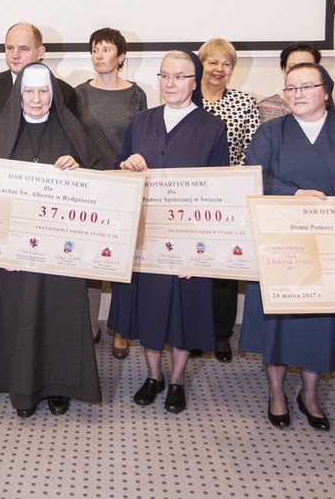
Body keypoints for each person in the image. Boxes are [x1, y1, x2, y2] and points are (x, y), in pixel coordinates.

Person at [241, 63, 335, 431]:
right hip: (281, 240)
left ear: (326, 91)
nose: (296, 94)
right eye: (290, 88)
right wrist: (292, 193)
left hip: (332, 242)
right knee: (277, 319)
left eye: (306, 87)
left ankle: (309, 395)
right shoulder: (270, 131)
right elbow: (251, 175)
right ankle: (276, 391)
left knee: (320, 321)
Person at [0, 62, 102, 418]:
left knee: (59, 315)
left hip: (60, 253)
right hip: (14, 253)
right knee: (19, 316)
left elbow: (97, 186)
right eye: (29, 92)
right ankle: (22, 388)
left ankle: (59, 386)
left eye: (43, 91)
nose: (35, 98)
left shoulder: (72, 133)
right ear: (19, 95)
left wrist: (79, 169)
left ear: (53, 95)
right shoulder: (1, 137)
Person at [109, 51, 229, 414]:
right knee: (149, 309)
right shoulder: (141, 121)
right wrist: (125, 163)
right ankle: (153, 375)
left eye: (179, 77)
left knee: (182, 311)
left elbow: (218, 189)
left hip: (187, 240)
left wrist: (201, 250)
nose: (171, 84)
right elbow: (122, 163)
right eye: (165, 76)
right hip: (146, 238)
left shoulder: (212, 127)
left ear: (195, 81)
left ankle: (176, 379)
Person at [72, 27, 147, 356]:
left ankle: (121, 329)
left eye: (105, 50)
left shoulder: (136, 94)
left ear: (121, 57)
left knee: (121, 260)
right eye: (94, 50)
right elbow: (71, 137)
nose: (99, 56)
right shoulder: (78, 93)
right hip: (88, 183)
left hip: (123, 184)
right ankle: (88, 325)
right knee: (89, 260)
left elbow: (142, 137)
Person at [194, 38, 259, 362]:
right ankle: (191, 331)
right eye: (212, 62)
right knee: (191, 264)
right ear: (200, 65)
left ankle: (220, 334)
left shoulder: (246, 103)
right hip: (190, 199)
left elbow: (252, 151)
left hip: (228, 198)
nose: (219, 69)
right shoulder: (185, 101)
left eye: (226, 64)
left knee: (222, 267)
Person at [0, 22, 78, 156]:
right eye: (10, 48)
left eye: (23, 49)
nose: (15, 55)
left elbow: (70, 142)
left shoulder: (63, 92)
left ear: (40, 52)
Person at [257, 42, 335, 124]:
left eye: (306, 66)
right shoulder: (265, 107)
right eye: (293, 67)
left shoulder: (331, 106)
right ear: (284, 70)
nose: (299, 71)